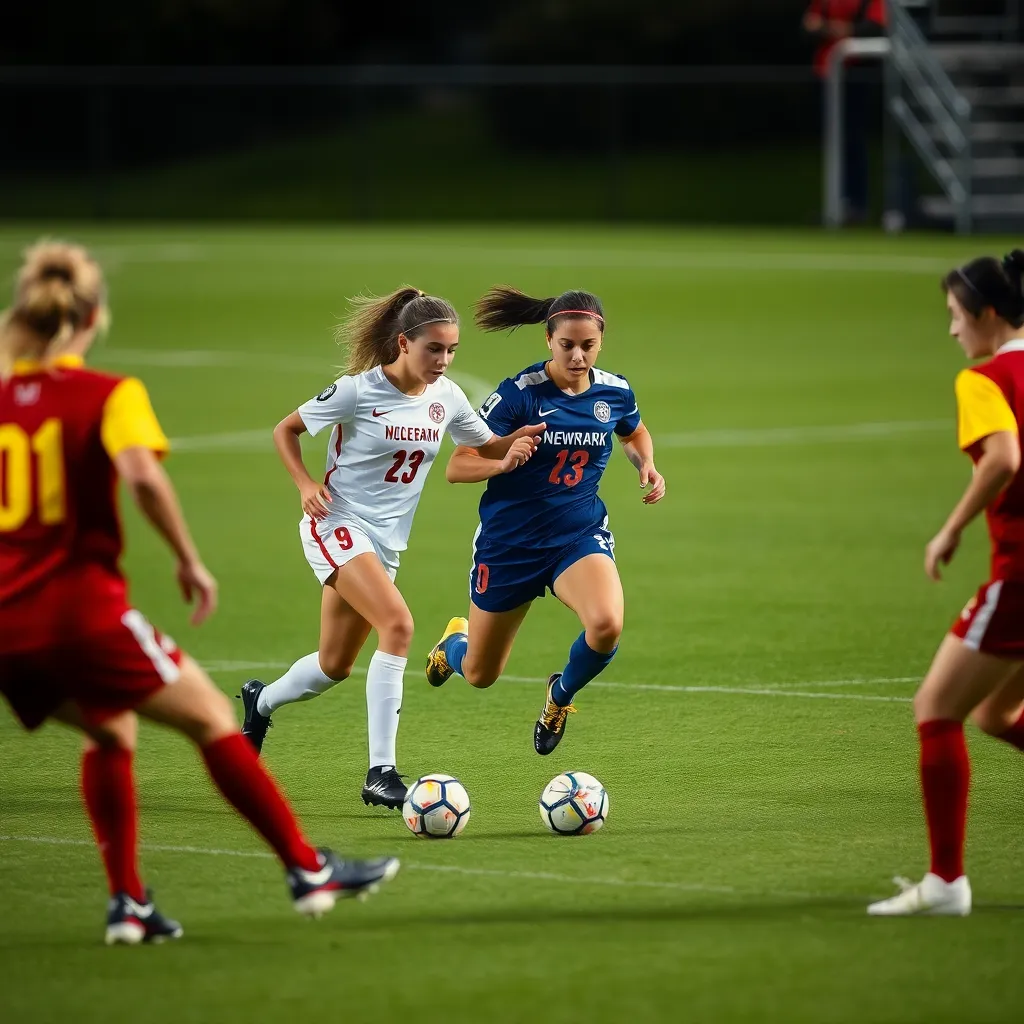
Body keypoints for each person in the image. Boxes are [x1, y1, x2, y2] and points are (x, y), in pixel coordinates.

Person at [0, 241, 399, 946]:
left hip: (8, 622)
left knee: (109, 729)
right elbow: (143, 477)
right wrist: (188, 559)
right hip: (78, 611)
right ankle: (307, 869)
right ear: (91, 318)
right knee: (213, 718)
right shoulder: (107, 394)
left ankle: (129, 903)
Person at [239, 287, 542, 808]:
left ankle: (259, 703)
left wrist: (519, 441)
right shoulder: (357, 391)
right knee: (398, 625)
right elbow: (286, 430)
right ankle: (380, 773)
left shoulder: (447, 398)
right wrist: (305, 485)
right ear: (404, 342)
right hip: (337, 524)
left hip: (385, 543)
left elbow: (484, 441)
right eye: (433, 349)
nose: (443, 360)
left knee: (334, 665)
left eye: (451, 351)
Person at [424, 287, 666, 754]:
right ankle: (452, 644)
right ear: (548, 340)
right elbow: (458, 465)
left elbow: (634, 432)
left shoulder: (614, 391)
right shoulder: (518, 395)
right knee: (479, 673)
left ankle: (559, 696)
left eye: (588, 346)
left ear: (601, 342)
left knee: (606, 624)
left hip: (576, 536)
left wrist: (646, 464)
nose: (577, 356)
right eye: (567, 345)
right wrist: (502, 462)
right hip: (510, 545)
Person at [869, 250, 1024, 917]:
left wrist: (952, 529)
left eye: (957, 316)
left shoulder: (985, 379)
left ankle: (945, 884)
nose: (953, 330)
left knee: (936, 708)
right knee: (996, 713)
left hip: (1021, 575)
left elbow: (1004, 457)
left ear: (987, 314)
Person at [803, 0, 886, 225]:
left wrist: (830, 28)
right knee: (833, 143)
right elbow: (809, 25)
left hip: (855, 75)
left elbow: (874, 28)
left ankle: (857, 205)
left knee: (853, 140)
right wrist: (837, 29)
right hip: (826, 74)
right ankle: (835, 204)